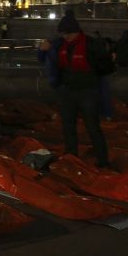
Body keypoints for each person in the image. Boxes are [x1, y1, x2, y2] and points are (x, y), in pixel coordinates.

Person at [37, 12, 111, 168]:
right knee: (68, 126)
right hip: (66, 91)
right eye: (63, 34)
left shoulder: (91, 44)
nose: (66, 37)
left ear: (77, 31)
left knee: (92, 127)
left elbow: (106, 66)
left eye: (68, 33)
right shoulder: (58, 44)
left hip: (87, 91)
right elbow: (44, 58)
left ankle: (102, 161)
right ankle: (71, 157)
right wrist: (42, 50)